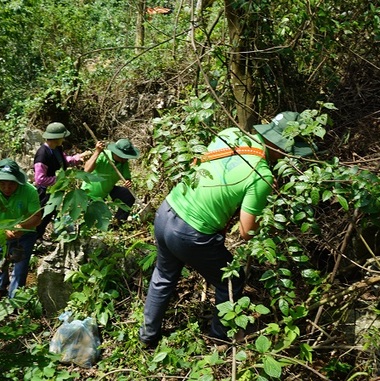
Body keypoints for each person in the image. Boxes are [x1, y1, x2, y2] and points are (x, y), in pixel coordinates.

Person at [139, 111, 316, 347]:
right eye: (287, 149)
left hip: (167, 211)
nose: (287, 156)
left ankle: (148, 337)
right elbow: (246, 231)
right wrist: (265, 204)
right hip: (191, 233)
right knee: (231, 281)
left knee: (163, 276)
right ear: (280, 145)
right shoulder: (261, 176)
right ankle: (219, 339)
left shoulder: (230, 134)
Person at [0, 158, 42, 301]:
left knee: (21, 266)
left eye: (11, 184)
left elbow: (37, 216)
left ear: (18, 181)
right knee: (0, 261)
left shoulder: (29, 191)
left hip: (24, 235)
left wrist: (22, 227)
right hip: (0, 235)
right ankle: (0, 288)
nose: (7, 188)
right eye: (2, 184)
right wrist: (1, 229)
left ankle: (15, 298)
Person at [33, 122, 89, 240]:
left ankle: (40, 237)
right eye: (62, 137)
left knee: (50, 215)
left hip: (57, 189)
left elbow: (63, 161)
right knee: (43, 215)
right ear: (56, 138)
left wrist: (78, 158)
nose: (63, 139)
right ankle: (35, 238)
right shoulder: (42, 154)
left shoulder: (57, 148)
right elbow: (39, 179)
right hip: (45, 192)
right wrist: (60, 179)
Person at [82, 138, 140, 222]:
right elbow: (86, 170)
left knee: (128, 195)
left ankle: (119, 221)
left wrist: (128, 182)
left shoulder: (123, 163)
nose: (125, 160)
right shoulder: (103, 155)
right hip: (90, 194)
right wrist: (97, 152)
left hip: (107, 192)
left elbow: (127, 177)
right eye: (123, 157)